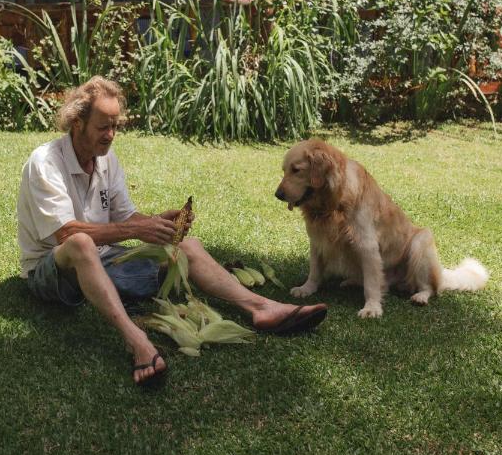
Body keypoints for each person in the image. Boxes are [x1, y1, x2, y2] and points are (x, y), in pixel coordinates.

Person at [17, 76, 327, 385]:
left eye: (116, 126)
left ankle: (261, 308)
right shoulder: (45, 162)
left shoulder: (106, 158)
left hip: (104, 261)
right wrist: (136, 228)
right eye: (102, 127)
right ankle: (136, 340)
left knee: (188, 247)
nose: (111, 135)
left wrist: (157, 224)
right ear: (77, 123)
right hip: (51, 272)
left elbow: (125, 216)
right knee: (82, 243)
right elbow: (66, 235)